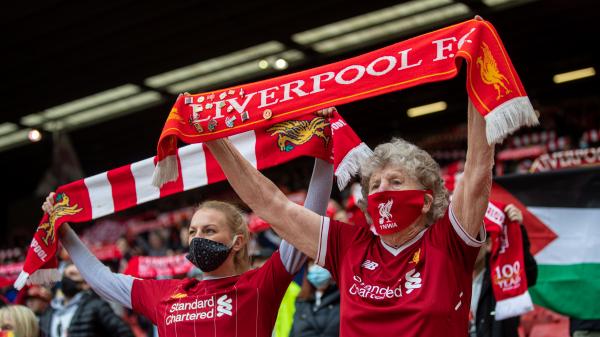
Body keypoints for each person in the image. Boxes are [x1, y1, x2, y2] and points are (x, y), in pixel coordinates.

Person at [204, 100, 493, 337]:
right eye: (375, 185)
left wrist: (476, 75)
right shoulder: (349, 244)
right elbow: (269, 203)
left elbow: (478, 170)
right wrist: (213, 136)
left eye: (395, 181)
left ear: (426, 200)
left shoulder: (448, 242)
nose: (382, 191)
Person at [42, 154, 333, 337]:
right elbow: (101, 278)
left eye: (209, 230)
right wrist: (63, 228)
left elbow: (305, 222)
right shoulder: (167, 293)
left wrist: (323, 156)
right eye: (192, 231)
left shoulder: (259, 285)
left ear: (237, 241)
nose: (197, 238)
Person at [470, 204, 538, 337]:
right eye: (463, 240)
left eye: (475, 240)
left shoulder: (501, 275)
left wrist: (518, 232)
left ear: (488, 244)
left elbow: (529, 276)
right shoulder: (448, 279)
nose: (468, 246)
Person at [39, 263, 135, 337]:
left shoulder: (96, 307)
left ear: (85, 284)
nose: (66, 278)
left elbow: (123, 332)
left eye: (72, 274)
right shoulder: (50, 311)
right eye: (64, 275)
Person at [290, 261, 340, 337]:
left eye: (321, 263)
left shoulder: (343, 300)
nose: (316, 267)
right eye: (312, 263)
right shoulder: (302, 300)